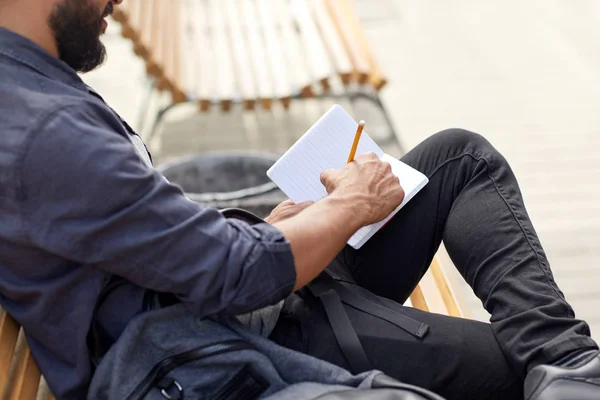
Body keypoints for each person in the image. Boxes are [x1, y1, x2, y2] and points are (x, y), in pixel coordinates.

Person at [1, 0, 599, 399]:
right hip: (235, 335)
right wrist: (349, 206)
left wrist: (267, 225)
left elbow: (137, 236)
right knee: (516, 370)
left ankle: (572, 367)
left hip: (233, 298)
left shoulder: (28, 88)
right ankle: (570, 372)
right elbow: (238, 273)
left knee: (458, 158)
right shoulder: (47, 132)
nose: (115, 1)